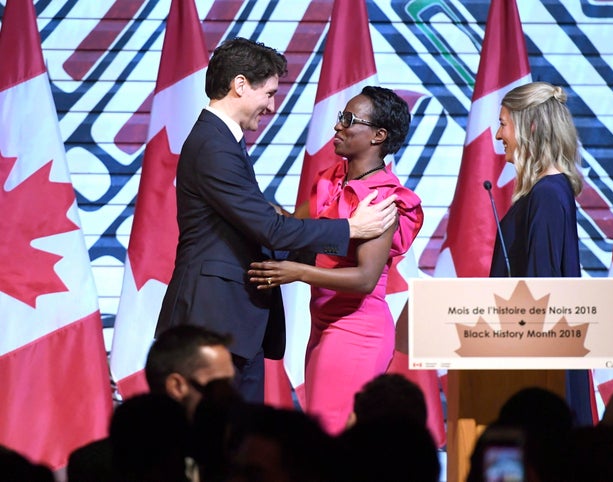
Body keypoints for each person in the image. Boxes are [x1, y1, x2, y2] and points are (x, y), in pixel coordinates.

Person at [156, 37, 398, 404]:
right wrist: (350, 229)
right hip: (215, 318)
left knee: (236, 438)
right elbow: (268, 228)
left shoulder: (222, 141)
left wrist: (308, 256)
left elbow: (261, 220)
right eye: (268, 93)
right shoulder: (214, 145)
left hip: (236, 321)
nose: (271, 106)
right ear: (240, 85)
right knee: (221, 438)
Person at [247, 86, 424, 435]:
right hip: (323, 325)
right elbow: (294, 233)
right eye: (339, 117)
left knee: (333, 438)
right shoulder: (331, 181)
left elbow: (365, 279)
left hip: (356, 330)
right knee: (328, 437)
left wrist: (297, 272)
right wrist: (241, 196)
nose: (337, 127)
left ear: (378, 136)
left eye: (348, 120)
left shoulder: (382, 198)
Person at [68, 325, 237, 482]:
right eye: (219, 385)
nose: (232, 395)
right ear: (177, 386)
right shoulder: (97, 467)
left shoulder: (243, 456)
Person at [490, 81, 583, 278]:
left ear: (530, 127)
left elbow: (541, 291)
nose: (498, 135)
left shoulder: (547, 194)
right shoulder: (552, 188)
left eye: (503, 124)